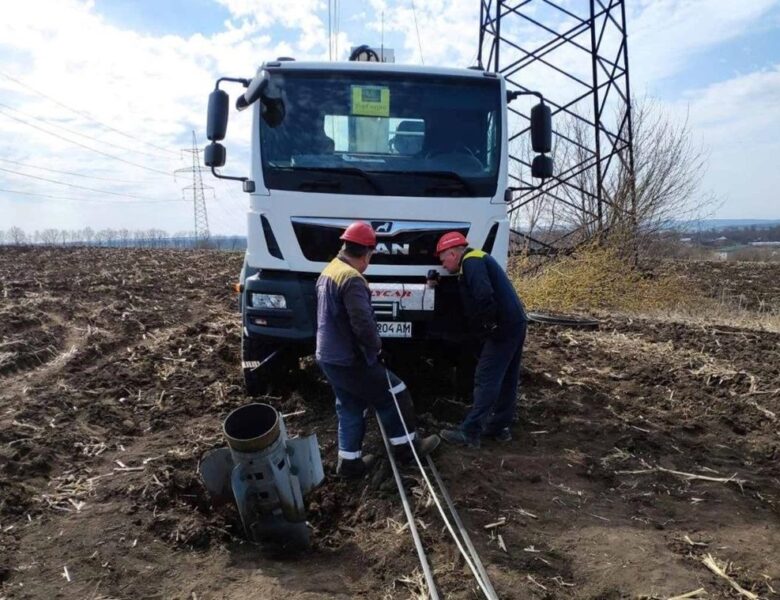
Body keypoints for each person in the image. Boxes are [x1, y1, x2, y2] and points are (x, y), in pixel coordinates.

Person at [316, 221, 440, 478]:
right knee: (395, 393)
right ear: (368, 252)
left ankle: (349, 464)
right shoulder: (352, 279)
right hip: (350, 358)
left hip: (328, 357)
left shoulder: (330, 270)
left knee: (350, 404)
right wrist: (376, 348)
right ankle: (408, 451)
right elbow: (362, 322)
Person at [435, 231, 528, 448]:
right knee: (507, 378)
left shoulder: (472, 261)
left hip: (503, 327)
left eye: (443, 260)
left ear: (452, 253)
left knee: (486, 376)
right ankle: (499, 427)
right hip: (515, 323)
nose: (443, 265)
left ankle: (470, 432)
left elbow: (483, 295)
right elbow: (467, 291)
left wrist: (488, 327)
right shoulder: (475, 260)